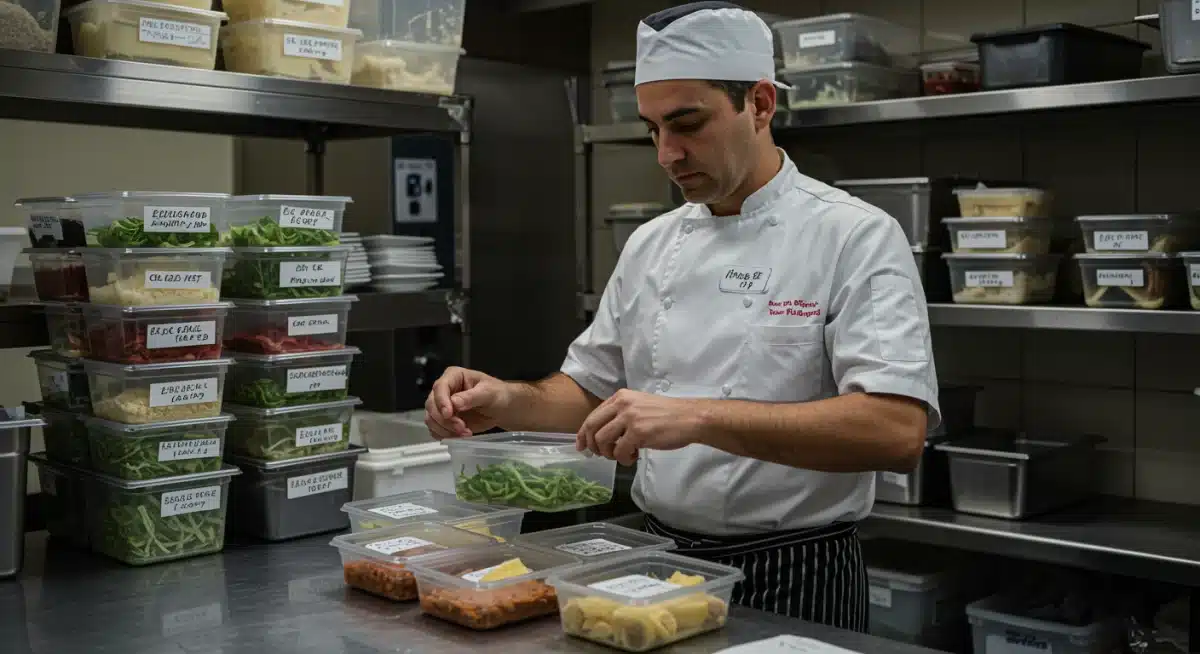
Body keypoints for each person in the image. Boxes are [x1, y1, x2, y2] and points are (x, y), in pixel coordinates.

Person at [424, 1, 939, 632]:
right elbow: (589, 392)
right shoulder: (652, 242)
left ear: (759, 104)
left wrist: (695, 418)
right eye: (651, 129)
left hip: (797, 571)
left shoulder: (854, 236)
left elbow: (895, 431)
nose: (667, 154)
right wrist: (506, 399)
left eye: (687, 123)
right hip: (656, 562)